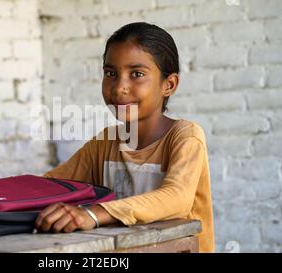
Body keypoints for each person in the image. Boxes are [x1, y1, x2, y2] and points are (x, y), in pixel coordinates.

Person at [35, 22, 214, 253]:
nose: (119, 87)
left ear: (168, 85)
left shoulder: (185, 137)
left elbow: (176, 198)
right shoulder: (106, 142)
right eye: (111, 73)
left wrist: (93, 213)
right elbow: (49, 186)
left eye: (137, 74)